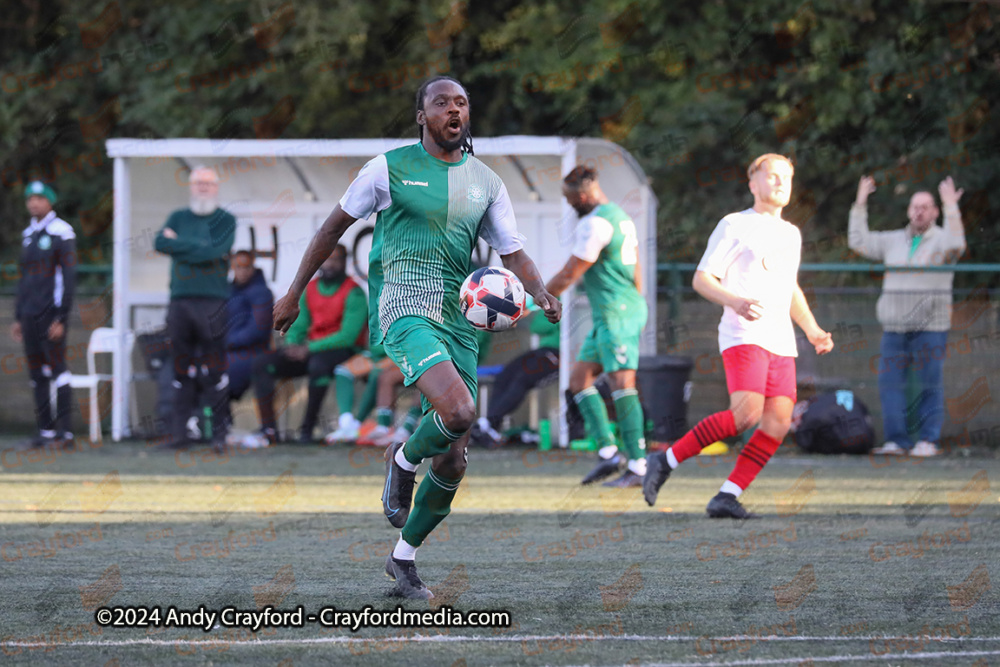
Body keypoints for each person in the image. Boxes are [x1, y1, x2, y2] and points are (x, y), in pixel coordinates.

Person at [273, 76, 561, 599]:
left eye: (462, 103)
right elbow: (331, 229)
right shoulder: (388, 168)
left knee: (454, 456)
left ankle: (403, 559)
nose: (454, 110)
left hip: (459, 318)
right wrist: (294, 293)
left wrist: (539, 291)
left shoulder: (486, 182)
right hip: (405, 308)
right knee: (458, 413)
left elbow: (512, 252)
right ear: (422, 115)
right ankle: (402, 459)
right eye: (442, 102)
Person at [643, 153, 834, 518]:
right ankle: (664, 459)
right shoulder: (734, 224)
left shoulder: (790, 233)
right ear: (753, 183)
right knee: (744, 415)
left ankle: (726, 495)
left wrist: (811, 329)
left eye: (786, 177)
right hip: (743, 333)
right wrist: (736, 301)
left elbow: (790, 287)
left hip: (780, 340)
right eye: (772, 176)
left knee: (777, 423)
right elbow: (702, 278)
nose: (780, 182)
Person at [545, 166, 648, 488]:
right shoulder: (617, 215)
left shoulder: (595, 224)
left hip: (618, 314)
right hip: (614, 312)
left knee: (622, 383)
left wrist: (537, 299)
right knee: (579, 379)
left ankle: (639, 465)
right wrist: (636, 299)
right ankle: (608, 454)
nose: (570, 205)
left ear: (585, 196)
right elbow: (637, 264)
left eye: (571, 199)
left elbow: (570, 273)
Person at [848, 175, 966, 457]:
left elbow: (957, 244)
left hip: (931, 326)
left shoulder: (942, 242)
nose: (919, 211)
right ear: (908, 210)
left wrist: (952, 206)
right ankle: (896, 441)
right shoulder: (893, 241)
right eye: (915, 206)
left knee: (929, 384)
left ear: (935, 212)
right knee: (890, 384)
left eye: (926, 206)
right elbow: (859, 241)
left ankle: (928, 441)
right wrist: (861, 201)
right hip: (894, 327)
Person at [246, 244, 367, 446]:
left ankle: (307, 429)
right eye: (326, 259)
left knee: (318, 366)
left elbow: (348, 336)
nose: (330, 264)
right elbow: (299, 325)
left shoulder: (354, 292)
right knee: (262, 363)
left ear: (344, 262)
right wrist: (293, 344)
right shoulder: (310, 288)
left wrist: (309, 348)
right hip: (310, 349)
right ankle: (269, 431)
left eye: (336, 259)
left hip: (343, 351)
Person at [154, 166, 236, 452]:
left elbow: (214, 250)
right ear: (190, 186)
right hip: (180, 301)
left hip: (213, 302)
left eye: (208, 183)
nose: (203, 187)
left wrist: (179, 245)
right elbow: (159, 242)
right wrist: (195, 247)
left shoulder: (226, 219)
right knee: (180, 369)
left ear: (216, 187)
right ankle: (180, 435)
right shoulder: (178, 216)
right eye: (198, 183)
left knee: (215, 371)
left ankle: (219, 436)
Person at [10, 181, 77, 449]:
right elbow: (25, 278)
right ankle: (46, 432)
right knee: (37, 373)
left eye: (39, 198)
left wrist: (61, 317)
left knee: (58, 370)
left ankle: (66, 433)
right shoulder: (29, 234)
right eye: (30, 199)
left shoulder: (62, 232)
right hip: (29, 315)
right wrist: (18, 315)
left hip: (51, 314)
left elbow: (69, 278)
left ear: (50, 202)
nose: (33, 203)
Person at [471, 305, 560, 446]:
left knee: (522, 379)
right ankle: (490, 427)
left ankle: (487, 424)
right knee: (504, 375)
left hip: (560, 354)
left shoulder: (569, 300)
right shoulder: (551, 298)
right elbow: (536, 326)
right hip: (543, 350)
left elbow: (541, 326)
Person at [222, 250, 274, 427]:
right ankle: (208, 425)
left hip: (253, 352)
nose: (242, 271)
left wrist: (225, 342)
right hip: (226, 351)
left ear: (253, 267)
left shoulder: (262, 293)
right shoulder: (226, 291)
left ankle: (221, 425)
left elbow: (257, 331)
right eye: (238, 267)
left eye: (246, 267)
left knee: (219, 376)